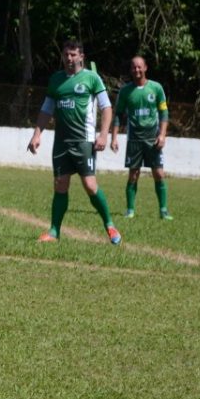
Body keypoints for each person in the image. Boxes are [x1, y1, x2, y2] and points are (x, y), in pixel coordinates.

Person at [27, 40, 121, 245]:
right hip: (61, 142)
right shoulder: (56, 80)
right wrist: (36, 134)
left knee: (89, 184)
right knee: (60, 185)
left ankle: (110, 225)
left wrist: (104, 135)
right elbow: (46, 109)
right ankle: (54, 231)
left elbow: (106, 107)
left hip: (84, 142)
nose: (69, 58)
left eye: (73, 55)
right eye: (66, 54)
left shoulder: (91, 78)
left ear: (81, 57)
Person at [110, 54, 173, 220]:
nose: (136, 69)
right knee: (133, 174)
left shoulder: (156, 88)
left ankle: (163, 210)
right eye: (133, 67)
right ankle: (130, 210)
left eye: (139, 66)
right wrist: (114, 138)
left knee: (159, 174)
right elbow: (118, 115)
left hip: (153, 138)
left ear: (145, 68)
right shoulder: (125, 91)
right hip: (134, 139)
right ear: (131, 70)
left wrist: (162, 134)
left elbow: (164, 112)